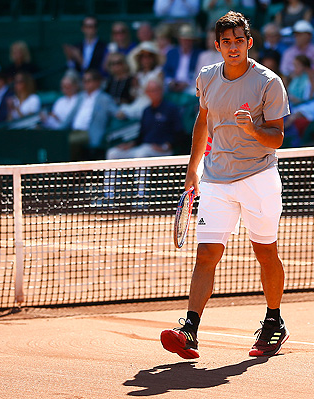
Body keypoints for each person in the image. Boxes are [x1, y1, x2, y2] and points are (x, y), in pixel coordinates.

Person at [160, 11, 291, 359]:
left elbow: (277, 137)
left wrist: (252, 130)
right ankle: (189, 329)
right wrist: (193, 168)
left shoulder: (268, 82)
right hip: (216, 179)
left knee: (265, 252)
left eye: (239, 41)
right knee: (206, 254)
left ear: (249, 43)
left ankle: (274, 320)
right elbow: (203, 120)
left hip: (258, 178)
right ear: (217, 46)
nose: (233, 48)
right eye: (226, 42)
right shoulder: (206, 77)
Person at [106, 79, 183, 159]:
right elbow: (142, 134)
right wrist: (131, 144)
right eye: (151, 91)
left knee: (142, 153)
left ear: (161, 90)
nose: (154, 93)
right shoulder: (146, 111)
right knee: (113, 153)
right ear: (147, 93)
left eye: (156, 90)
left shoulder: (171, 108)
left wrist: (166, 146)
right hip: (144, 147)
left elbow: (179, 132)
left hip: (162, 149)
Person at [61, 69, 117, 160]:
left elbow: (117, 112)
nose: (85, 83)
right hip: (73, 131)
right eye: (84, 81)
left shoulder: (105, 99)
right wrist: (56, 131)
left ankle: (70, 170)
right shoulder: (80, 97)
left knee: (68, 141)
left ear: (97, 82)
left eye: (88, 81)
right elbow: (70, 117)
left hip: (89, 134)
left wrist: (123, 112)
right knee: (56, 139)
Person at [118, 42, 165, 120]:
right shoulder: (138, 74)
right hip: (139, 102)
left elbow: (157, 93)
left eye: (149, 56)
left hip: (150, 104)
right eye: (143, 57)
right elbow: (135, 95)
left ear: (153, 58)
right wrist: (135, 87)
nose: (146, 60)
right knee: (122, 110)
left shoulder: (158, 72)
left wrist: (140, 86)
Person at [163, 24, 202, 93]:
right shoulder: (172, 53)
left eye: (189, 40)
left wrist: (187, 83)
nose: (186, 42)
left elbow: (199, 73)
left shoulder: (199, 54)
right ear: (179, 40)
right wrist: (171, 82)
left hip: (190, 87)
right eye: (184, 40)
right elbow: (166, 70)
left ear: (193, 41)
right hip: (173, 86)